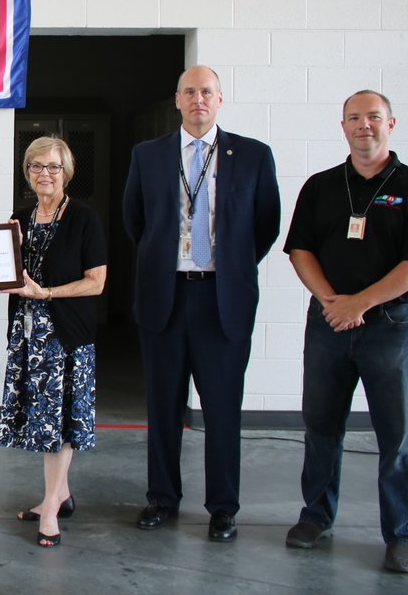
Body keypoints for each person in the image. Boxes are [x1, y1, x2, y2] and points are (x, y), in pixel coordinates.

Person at [282, 90, 408, 575]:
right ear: (343, 126)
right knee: (320, 427)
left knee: (397, 437)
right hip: (329, 323)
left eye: (373, 117)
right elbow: (300, 250)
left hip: (392, 327)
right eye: (354, 118)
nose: (364, 126)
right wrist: (335, 302)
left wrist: (361, 302)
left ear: (391, 124)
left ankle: (401, 534)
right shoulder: (321, 186)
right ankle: (315, 518)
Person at [122, 65, 280, 542]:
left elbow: (265, 226)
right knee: (163, 406)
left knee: (223, 407)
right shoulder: (148, 155)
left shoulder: (252, 155)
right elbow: (136, 222)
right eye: (189, 92)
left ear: (220, 99)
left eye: (206, 92)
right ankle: (162, 498)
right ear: (177, 100)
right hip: (165, 296)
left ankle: (223, 507)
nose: (198, 100)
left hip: (221, 299)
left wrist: (227, 266)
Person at [0, 136, 107, 548]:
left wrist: (46, 294)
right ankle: (58, 494)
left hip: (66, 336)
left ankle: (49, 508)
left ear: (67, 173)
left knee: (60, 422)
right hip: (28, 336)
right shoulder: (20, 218)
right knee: (42, 419)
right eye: (36, 167)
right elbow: (4, 271)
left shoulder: (84, 218)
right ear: (28, 173)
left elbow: (96, 283)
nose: (45, 174)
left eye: (53, 167)